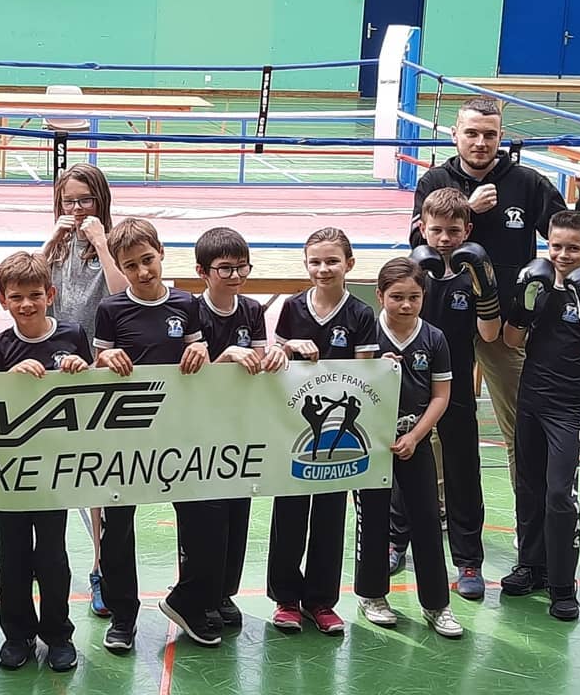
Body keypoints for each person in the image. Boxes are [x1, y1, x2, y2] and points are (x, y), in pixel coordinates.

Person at [408, 96, 580, 488]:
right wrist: (466, 209)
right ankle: (441, 506)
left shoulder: (526, 182)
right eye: (472, 133)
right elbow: (417, 242)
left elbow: (566, 234)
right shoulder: (434, 181)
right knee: (435, 417)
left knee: (520, 421)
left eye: (489, 134)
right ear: (455, 135)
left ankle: (526, 514)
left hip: (507, 318)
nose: (480, 142)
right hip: (445, 315)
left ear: (501, 137)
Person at [94, 218, 208, 651]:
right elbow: (98, 364)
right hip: (126, 435)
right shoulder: (111, 309)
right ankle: (123, 616)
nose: (143, 271)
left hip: (180, 432)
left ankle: (191, 603)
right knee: (119, 525)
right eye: (132, 265)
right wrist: (108, 360)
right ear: (121, 268)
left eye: (148, 260)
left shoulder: (186, 304)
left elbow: (200, 358)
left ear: (161, 253)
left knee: (196, 518)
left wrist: (201, 348)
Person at [168, 227, 286, 636]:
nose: (235, 276)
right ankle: (193, 594)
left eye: (242, 267)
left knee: (237, 515)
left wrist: (273, 356)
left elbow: (256, 363)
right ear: (202, 271)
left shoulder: (252, 310)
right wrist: (224, 357)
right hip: (197, 432)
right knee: (203, 521)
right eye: (225, 269)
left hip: (239, 431)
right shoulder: (189, 311)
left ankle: (222, 592)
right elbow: (189, 376)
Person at [268, 227, 378, 636]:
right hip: (295, 429)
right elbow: (274, 360)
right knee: (290, 515)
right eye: (315, 261)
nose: (323, 268)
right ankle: (285, 599)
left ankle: (321, 601)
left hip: (341, 436)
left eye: (332, 260)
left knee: (331, 516)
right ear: (305, 264)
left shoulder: (361, 315)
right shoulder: (293, 307)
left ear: (349, 264)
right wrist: (291, 347)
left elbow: (369, 376)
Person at [391, 189, 501, 602]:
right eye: (435, 230)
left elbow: (489, 334)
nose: (444, 239)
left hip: (454, 386)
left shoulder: (474, 270)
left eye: (453, 231)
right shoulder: (411, 273)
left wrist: (487, 291)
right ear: (421, 227)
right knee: (403, 459)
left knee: (462, 469)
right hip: (411, 385)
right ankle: (394, 541)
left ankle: (468, 560)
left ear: (466, 230)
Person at [502, 211, 580, 620]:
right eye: (556, 246)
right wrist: (524, 304)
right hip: (530, 399)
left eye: (573, 248)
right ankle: (531, 566)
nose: (563, 254)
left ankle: (563, 585)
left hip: (568, 408)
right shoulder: (539, 281)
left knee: (559, 494)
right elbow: (512, 341)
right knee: (528, 487)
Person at [0, 251, 91, 673]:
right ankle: (17, 634)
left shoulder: (72, 334)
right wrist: (6, 378)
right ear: (3, 300)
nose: (26, 304)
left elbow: (90, 390)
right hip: (8, 472)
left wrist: (81, 369)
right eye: (17, 297)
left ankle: (58, 633)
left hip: (54, 468)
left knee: (52, 555)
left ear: (50, 294)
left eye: (35, 295)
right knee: (11, 555)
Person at [353, 257, 462, 638]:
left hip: (413, 440)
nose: (405, 305)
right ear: (380, 295)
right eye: (396, 296)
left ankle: (437, 605)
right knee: (374, 517)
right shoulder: (367, 335)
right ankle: (371, 595)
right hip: (371, 442)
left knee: (427, 521)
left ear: (423, 297)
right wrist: (372, 367)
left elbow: (441, 395)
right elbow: (348, 384)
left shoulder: (434, 338)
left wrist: (416, 436)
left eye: (413, 297)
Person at [42, 164, 126, 619]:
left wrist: (99, 242)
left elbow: (122, 296)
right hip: (57, 372)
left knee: (100, 481)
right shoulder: (55, 249)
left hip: (101, 372)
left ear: (100, 202)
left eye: (84, 201)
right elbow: (24, 287)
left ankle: (101, 570)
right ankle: (50, 573)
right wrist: (51, 240)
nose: (76, 210)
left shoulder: (114, 241)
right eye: (68, 202)